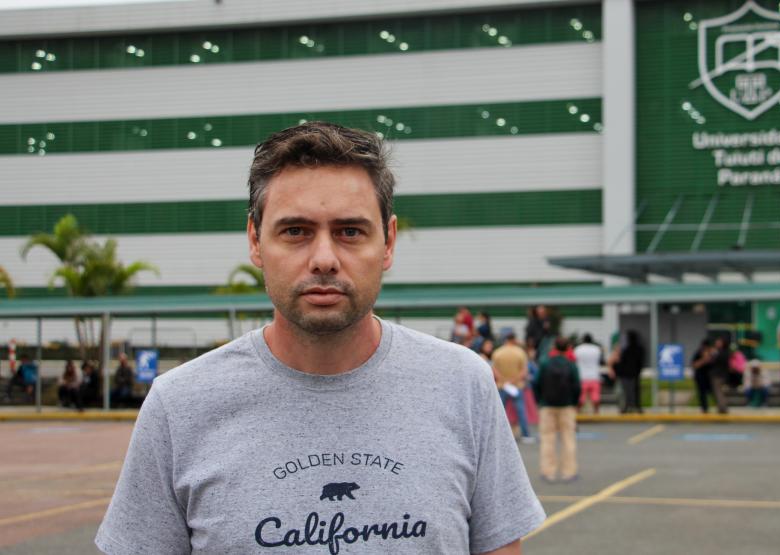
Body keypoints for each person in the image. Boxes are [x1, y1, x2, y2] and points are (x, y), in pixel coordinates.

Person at [96, 122, 544, 555]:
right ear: (255, 241)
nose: (324, 259)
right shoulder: (180, 405)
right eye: (296, 231)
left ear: (387, 242)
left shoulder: (463, 384)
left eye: (350, 231)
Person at [532, 337, 580, 483]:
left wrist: (539, 400)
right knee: (568, 439)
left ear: (554, 347)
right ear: (568, 348)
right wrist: (574, 402)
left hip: (547, 405)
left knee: (547, 439)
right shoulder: (571, 365)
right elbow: (577, 386)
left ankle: (548, 472)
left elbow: (536, 383)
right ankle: (569, 472)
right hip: (566, 406)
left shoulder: (545, 363)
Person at [492, 333, 534, 444]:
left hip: (502, 385)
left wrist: (504, 380)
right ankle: (525, 435)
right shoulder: (520, 352)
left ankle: (497, 435)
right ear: (514, 340)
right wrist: (513, 380)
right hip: (517, 386)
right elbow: (524, 371)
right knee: (521, 411)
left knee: (500, 412)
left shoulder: (498, 352)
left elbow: (494, 369)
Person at [613, 330, 645, 414]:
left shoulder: (627, 349)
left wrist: (618, 371)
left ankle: (627, 407)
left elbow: (622, 362)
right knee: (635, 391)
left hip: (626, 374)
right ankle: (636, 407)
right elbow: (640, 362)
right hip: (635, 374)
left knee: (627, 392)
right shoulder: (640, 349)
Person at [573, 334, 603, 414]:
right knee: (595, 397)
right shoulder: (597, 349)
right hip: (594, 376)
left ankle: (577, 412)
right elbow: (600, 361)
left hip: (582, 376)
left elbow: (574, 361)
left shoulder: (578, 349)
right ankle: (596, 412)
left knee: (580, 397)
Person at [708, 335, 731, 414]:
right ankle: (721, 407)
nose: (716, 343)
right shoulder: (725, 352)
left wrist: (712, 354)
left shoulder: (720, 352)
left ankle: (722, 408)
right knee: (719, 391)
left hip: (718, 375)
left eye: (719, 342)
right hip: (722, 374)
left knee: (718, 392)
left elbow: (713, 361)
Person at [690, 338, 714, 414]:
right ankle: (704, 408)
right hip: (700, 376)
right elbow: (694, 365)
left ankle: (720, 406)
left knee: (712, 392)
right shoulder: (698, 353)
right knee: (702, 393)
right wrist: (704, 360)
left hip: (710, 377)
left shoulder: (712, 354)